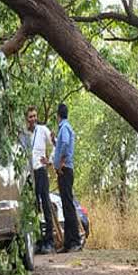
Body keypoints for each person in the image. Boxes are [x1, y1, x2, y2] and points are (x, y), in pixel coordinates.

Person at [24, 106, 55, 254]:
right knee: (34, 207)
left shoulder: (42, 130)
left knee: (46, 204)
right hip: (29, 175)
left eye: (35, 116)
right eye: (30, 117)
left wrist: (50, 161)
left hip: (41, 171)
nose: (33, 119)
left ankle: (49, 241)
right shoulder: (23, 134)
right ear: (26, 119)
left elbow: (56, 143)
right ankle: (37, 241)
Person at [53, 103, 83, 253]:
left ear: (58, 115)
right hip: (63, 170)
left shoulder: (64, 128)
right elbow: (61, 144)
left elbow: (64, 144)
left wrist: (61, 161)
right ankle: (68, 243)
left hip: (65, 170)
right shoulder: (65, 128)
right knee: (65, 205)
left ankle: (75, 241)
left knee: (68, 206)